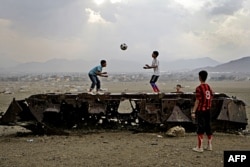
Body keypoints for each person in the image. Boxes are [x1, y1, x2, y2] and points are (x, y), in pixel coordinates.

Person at [191, 70, 213, 153]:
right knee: (208, 126)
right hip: (208, 109)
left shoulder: (199, 88)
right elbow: (211, 96)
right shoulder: (209, 87)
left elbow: (197, 101)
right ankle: (209, 145)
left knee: (200, 127)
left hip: (201, 110)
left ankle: (200, 147)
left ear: (199, 77)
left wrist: (193, 111)